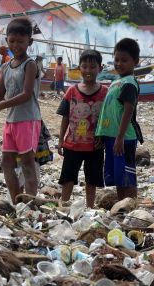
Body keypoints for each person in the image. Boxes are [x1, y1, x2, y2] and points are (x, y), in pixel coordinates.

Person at [0, 18, 41, 204]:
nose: (16, 45)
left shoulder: (30, 64)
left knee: (27, 164)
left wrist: (0, 107)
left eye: (20, 41)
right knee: (6, 163)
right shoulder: (6, 66)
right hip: (11, 121)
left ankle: (29, 204)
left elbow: (26, 94)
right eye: (12, 41)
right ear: (7, 40)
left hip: (28, 120)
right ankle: (15, 203)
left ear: (30, 41)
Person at [57, 50, 107, 208]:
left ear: (100, 68)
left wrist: (104, 138)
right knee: (68, 177)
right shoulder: (72, 91)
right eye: (84, 66)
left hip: (95, 146)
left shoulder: (106, 93)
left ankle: (90, 207)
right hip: (72, 144)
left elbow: (108, 119)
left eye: (92, 67)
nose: (88, 71)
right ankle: (64, 204)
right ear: (80, 68)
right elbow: (65, 117)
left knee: (92, 179)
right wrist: (60, 141)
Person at [95, 38, 144, 201]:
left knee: (127, 175)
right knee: (118, 176)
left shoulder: (129, 83)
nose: (119, 63)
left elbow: (128, 110)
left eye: (124, 60)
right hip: (113, 137)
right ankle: (121, 206)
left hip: (124, 138)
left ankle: (130, 205)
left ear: (135, 62)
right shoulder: (117, 81)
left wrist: (120, 138)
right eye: (116, 59)